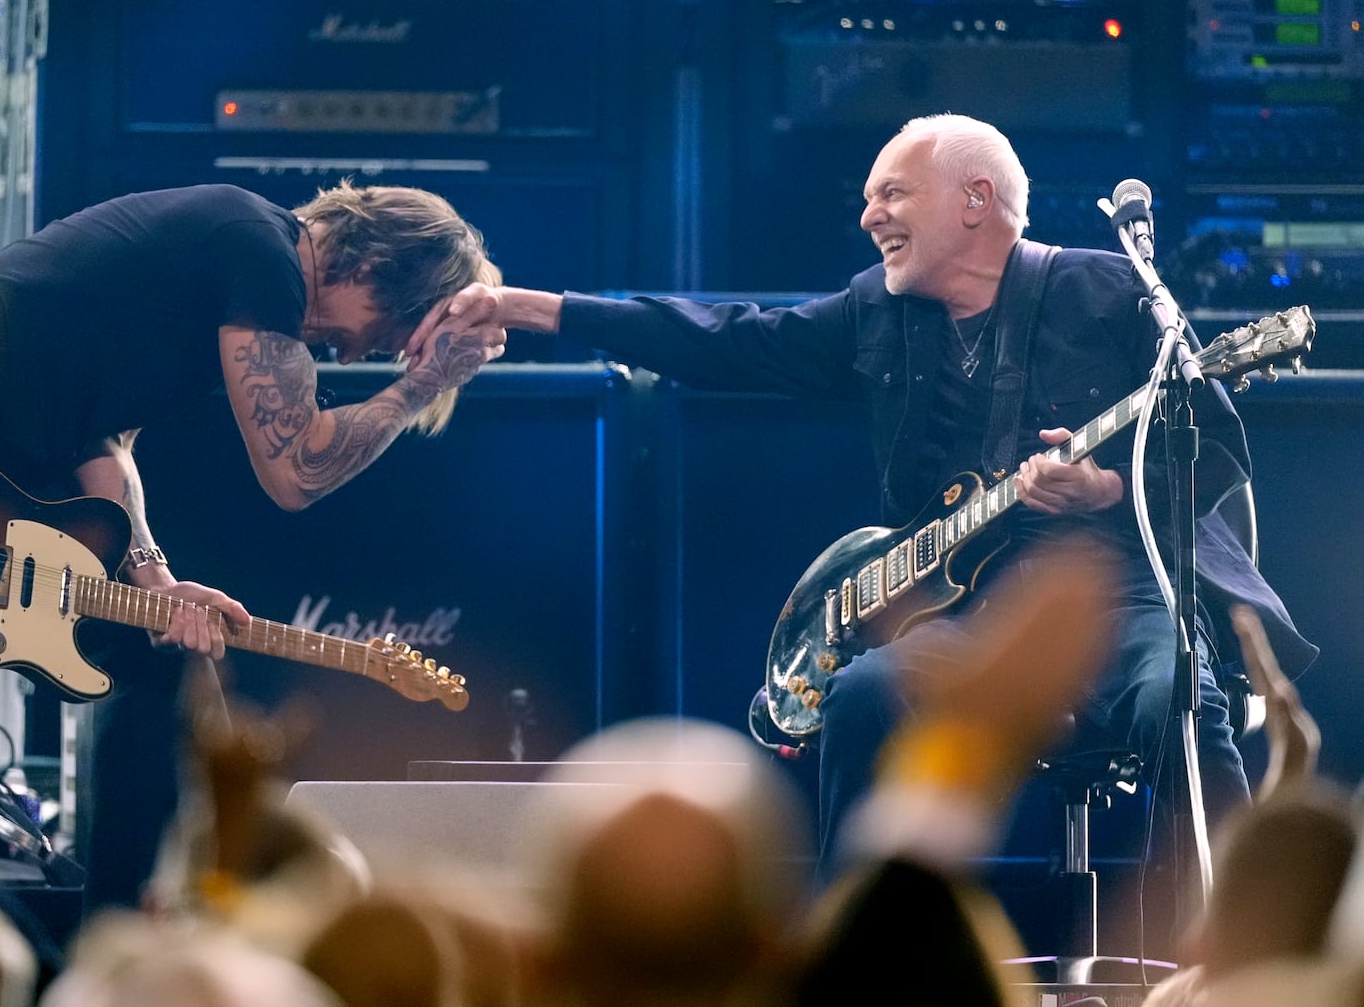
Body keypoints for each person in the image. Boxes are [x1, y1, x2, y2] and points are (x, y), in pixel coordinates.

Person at [407, 113, 1316, 877]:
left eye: (891, 193)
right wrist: (532, 308)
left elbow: (1215, 443)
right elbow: (726, 338)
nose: (867, 214)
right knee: (866, 693)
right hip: (967, 615)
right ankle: (855, 955)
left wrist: (1106, 487)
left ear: (974, 201)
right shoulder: (877, 312)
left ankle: (1247, 950)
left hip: (1118, 589)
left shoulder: (1107, 289)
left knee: (1177, 699)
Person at [0, 179, 507, 913]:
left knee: (165, 666)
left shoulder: (232, 273)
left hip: (8, 453)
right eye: (384, 335)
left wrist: (152, 581)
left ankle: (118, 937)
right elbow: (296, 468)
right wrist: (423, 383)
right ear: (375, 264)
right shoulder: (260, 250)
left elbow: (108, 442)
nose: (359, 356)